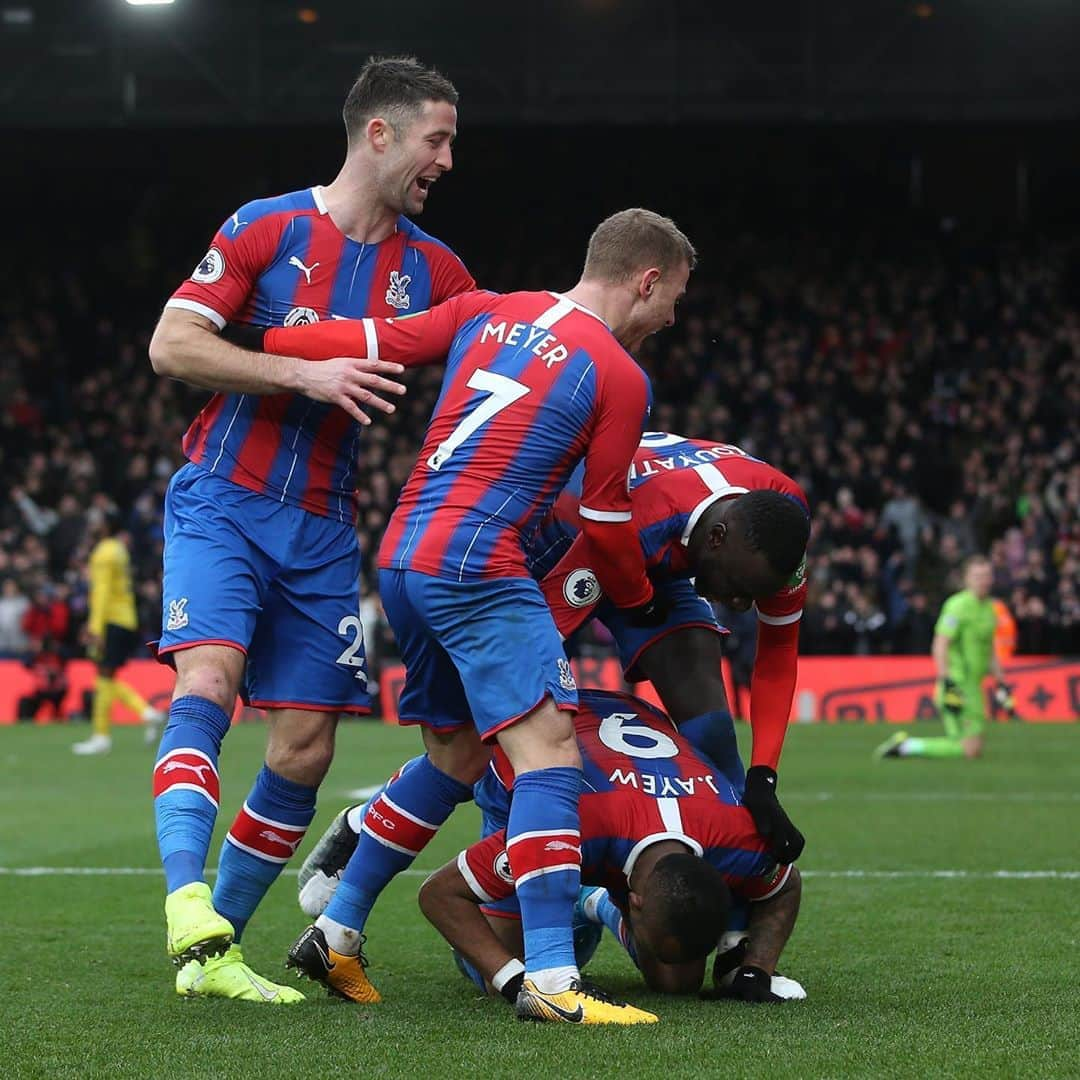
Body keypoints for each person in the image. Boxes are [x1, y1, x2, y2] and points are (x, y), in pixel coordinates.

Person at [263, 207, 695, 1023]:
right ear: (646, 280)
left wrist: (258, 346)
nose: (672, 318)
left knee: (456, 755)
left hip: (402, 553)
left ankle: (337, 931)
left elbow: (370, 340)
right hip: (477, 562)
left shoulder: (490, 308)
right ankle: (559, 984)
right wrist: (639, 600)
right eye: (673, 298)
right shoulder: (620, 374)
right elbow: (604, 524)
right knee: (550, 756)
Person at [147, 55, 474, 1004]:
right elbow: (173, 345)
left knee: (305, 749)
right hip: (222, 498)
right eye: (438, 139)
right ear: (381, 133)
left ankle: (218, 959)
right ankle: (185, 906)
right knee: (210, 677)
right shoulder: (266, 225)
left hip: (326, 530)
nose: (448, 161)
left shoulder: (436, 270)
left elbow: (503, 362)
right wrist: (303, 374)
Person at [294, 434, 810, 977]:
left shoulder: (778, 523)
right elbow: (524, 672)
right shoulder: (630, 526)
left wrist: (764, 777)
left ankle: (731, 935)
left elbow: (778, 653)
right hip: (561, 549)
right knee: (489, 735)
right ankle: (372, 826)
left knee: (711, 724)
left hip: (662, 556)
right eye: (736, 588)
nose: (739, 604)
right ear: (720, 539)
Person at [418, 688, 804, 1015]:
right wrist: (515, 983)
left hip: (632, 734)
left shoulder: (736, 837)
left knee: (677, 982)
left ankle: (594, 899)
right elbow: (440, 894)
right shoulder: (562, 828)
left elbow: (785, 884)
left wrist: (757, 969)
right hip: (538, 729)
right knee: (500, 964)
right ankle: (581, 896)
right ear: (634, 901)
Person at [876, 555, 1015, 761]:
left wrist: (1001, 683)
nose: (983, 580)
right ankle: (907, 746)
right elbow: (940, 644)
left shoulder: (990, 609)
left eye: (986, 575)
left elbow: (989, 651)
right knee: (969, 749)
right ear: (966, 579)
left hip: (974, 686)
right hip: (957, 683)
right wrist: (947, 681)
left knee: (970, 748)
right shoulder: (957, 606)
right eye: (978, 576)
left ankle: (905, 746)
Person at [73, 517, 165, 755]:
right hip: (126, 617)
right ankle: (145, 714)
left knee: (104, 673)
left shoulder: (103, 554)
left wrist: (94, 628)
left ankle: (104, 735)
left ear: (105, 527)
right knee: (106, 675)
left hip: (112, 620)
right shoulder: (119, 549)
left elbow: (101, 592)